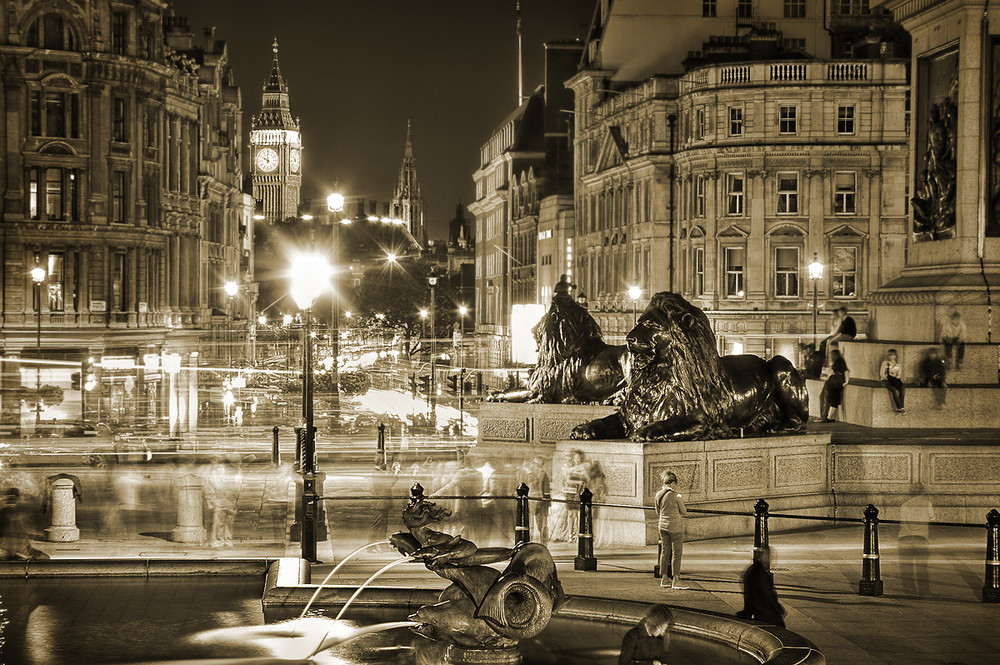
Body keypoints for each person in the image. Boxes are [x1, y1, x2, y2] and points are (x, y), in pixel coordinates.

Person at [898, 484, 935, 597]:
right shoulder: (927, 504)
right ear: (922, 492)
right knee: (922, 568)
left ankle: (910, 593)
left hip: (904, 538)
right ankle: (924, 592)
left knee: (906, 569)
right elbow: (933, 518)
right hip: (921, 538)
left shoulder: (904, 505)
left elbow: (902, 521)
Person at [654, 471, 688, 590]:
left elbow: (658, 512)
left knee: (665, 552)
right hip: (675, 528)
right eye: (676, 484)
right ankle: (676, 579)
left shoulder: (658, 494)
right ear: (673, 483)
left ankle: (664, 579)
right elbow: (684, 512)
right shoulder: (676, 495)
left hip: (662, 527)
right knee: (676, 554)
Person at [736, 547, 786, 628]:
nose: (770, 558)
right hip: (764, 613)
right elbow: (768, 594)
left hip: (756, 611)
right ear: (760, 557)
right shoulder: (761, 573)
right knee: (781, 629)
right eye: (767, 555)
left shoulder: (752, 569)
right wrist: (778, 609)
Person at [519, 456, 551, 545]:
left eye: (535, 464)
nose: (533, 465)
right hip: (533, 500)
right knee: (534, 523)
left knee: (540, 524)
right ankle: (535, 541)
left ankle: (542, 542)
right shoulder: (532, 474)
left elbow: (543, 490)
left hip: (537, 500)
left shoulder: (541, 474)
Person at [822, 349, 850, 422]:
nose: (831, 357)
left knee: (834, 400)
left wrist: (846, 382)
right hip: (835, 383)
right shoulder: (839, 361)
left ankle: (829, 417)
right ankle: (831, 417)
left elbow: (846, 371)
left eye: (832, 355)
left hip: (836, 384)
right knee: (835, 400)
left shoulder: (839, 362)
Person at [879, 349, 906, 413]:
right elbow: (881, 373)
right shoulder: (885, 363)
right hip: (887, 380)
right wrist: (887, 376)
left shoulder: (898, 364)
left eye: (893, 355)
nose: (891, 356)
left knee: (902, 389)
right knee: (895, 391)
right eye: (889, 355)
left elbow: (899, 374)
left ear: (895, 356)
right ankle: (899, 407)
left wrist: (896, 377)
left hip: (895, 380)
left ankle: (902, 407)